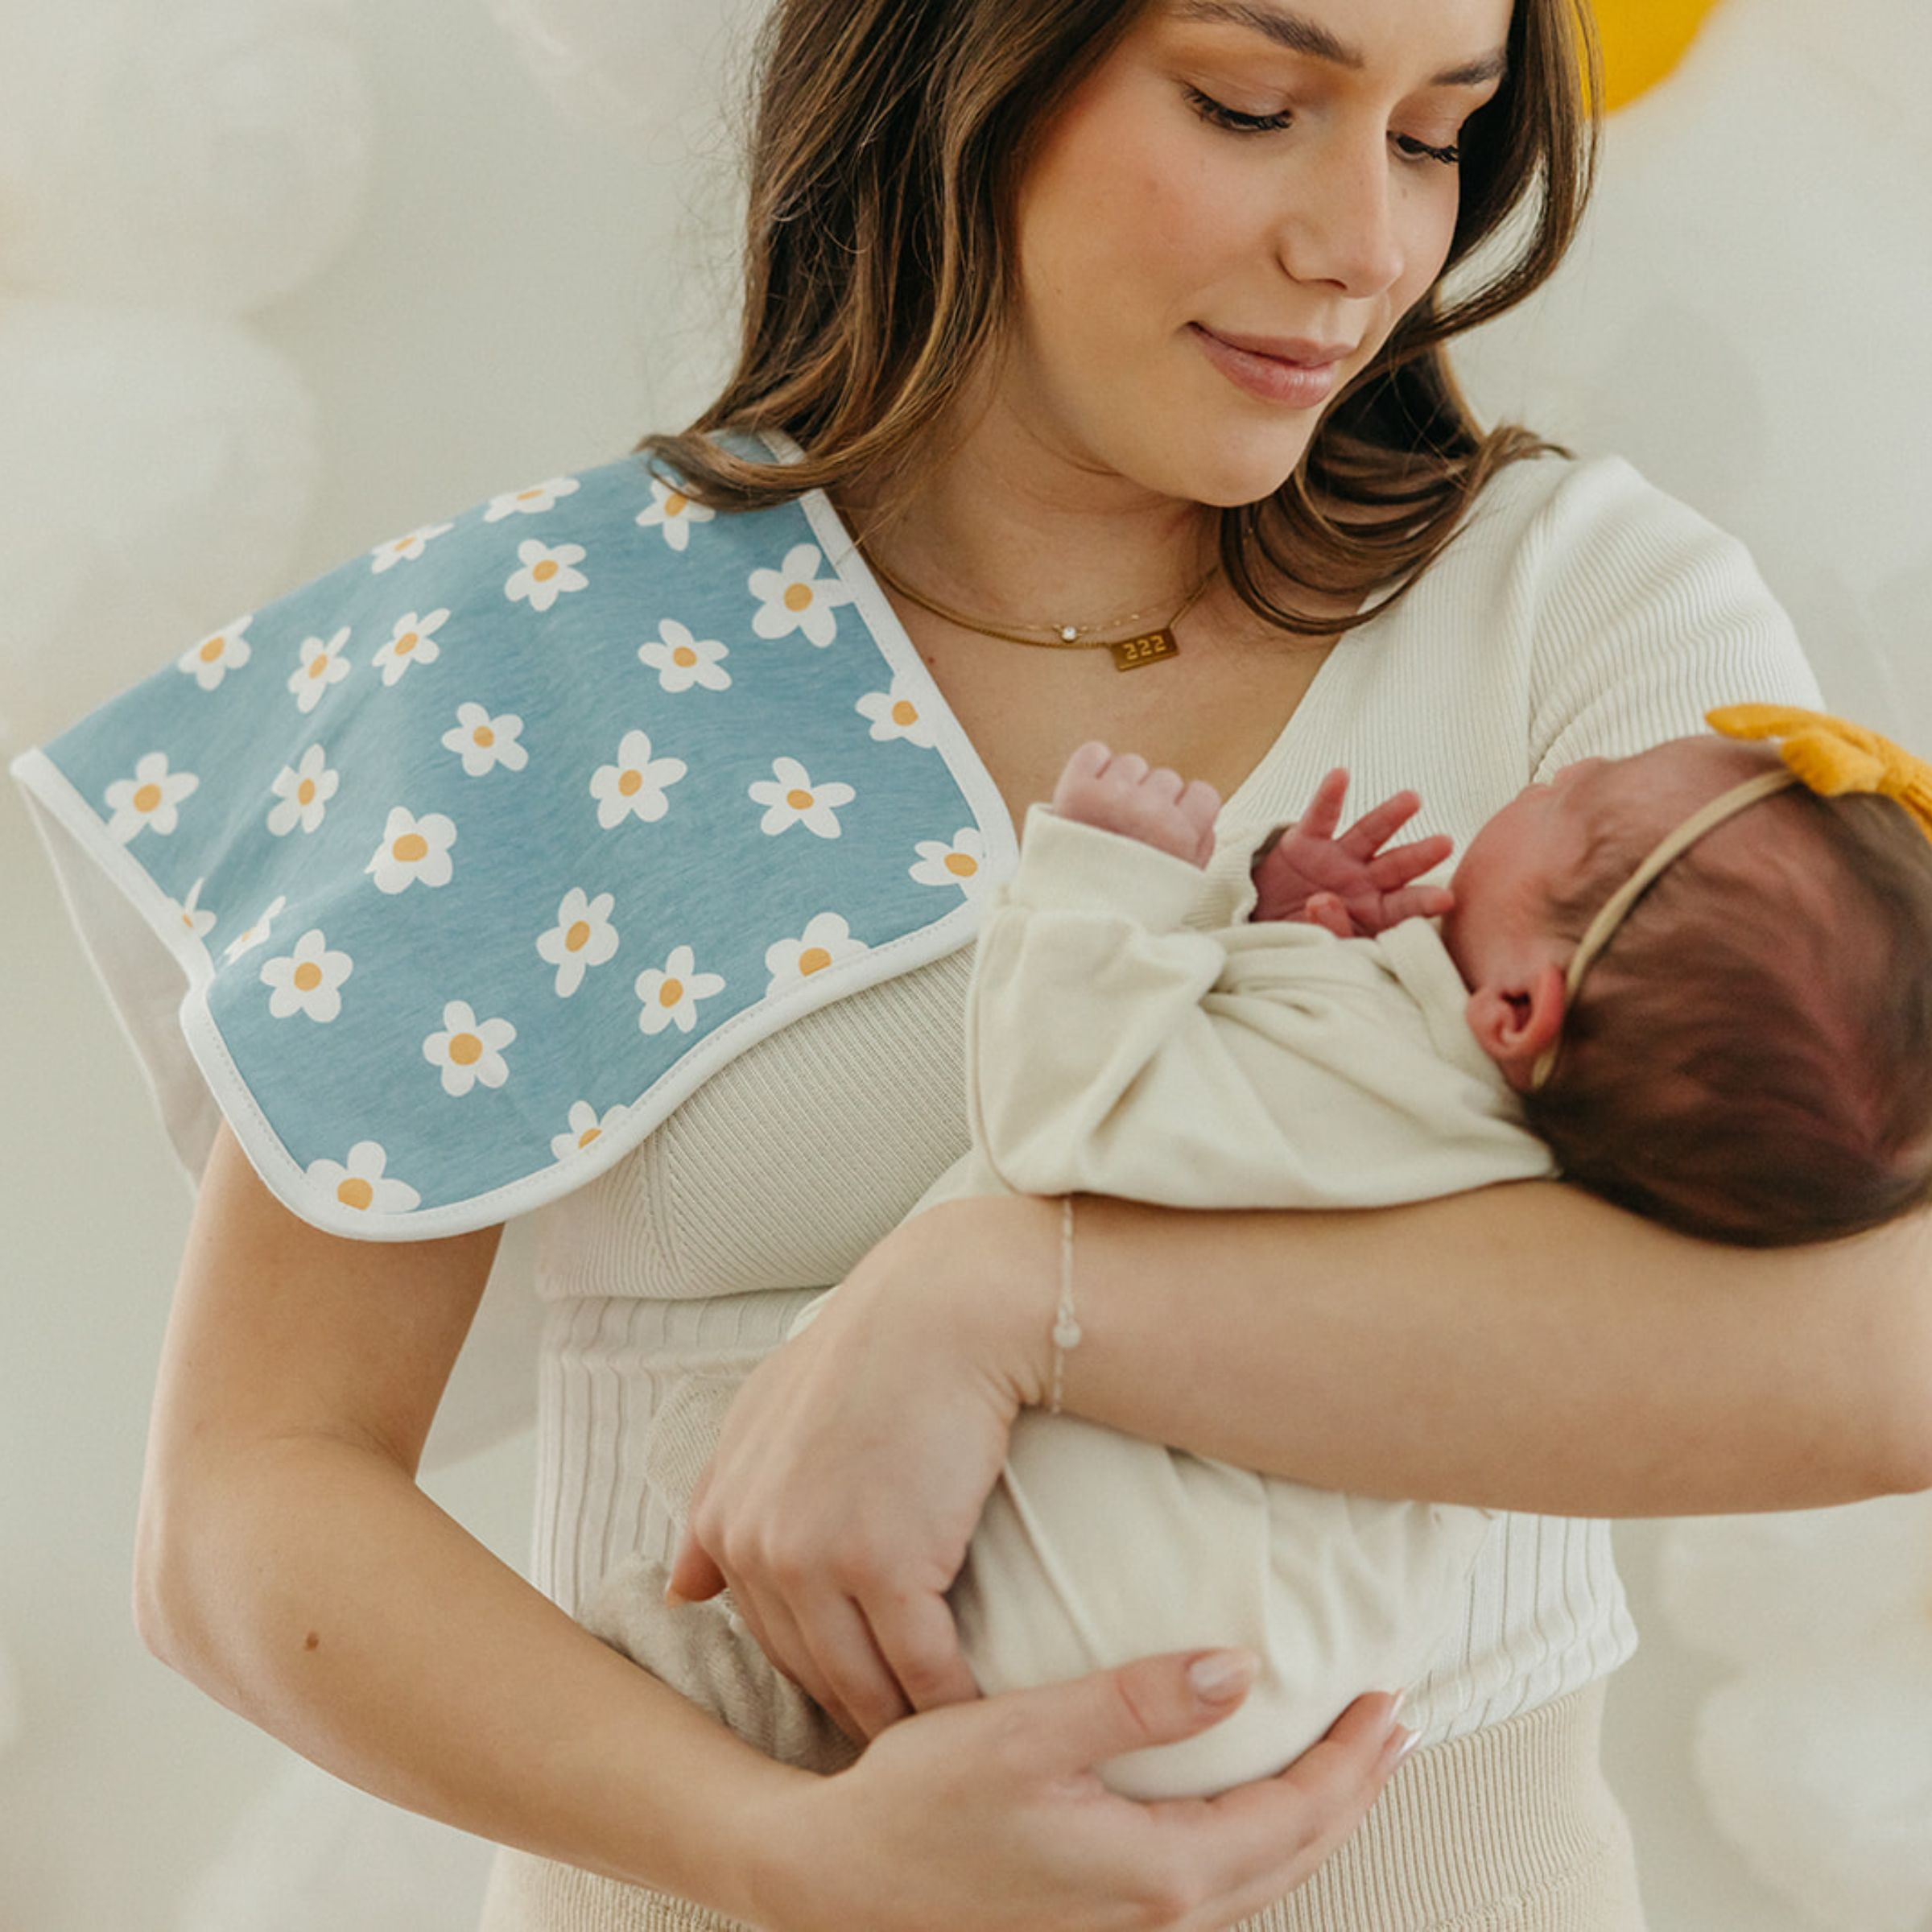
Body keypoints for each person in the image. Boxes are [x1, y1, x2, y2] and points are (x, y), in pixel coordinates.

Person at [13, 0, 1931, 1927]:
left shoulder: (1581, 623)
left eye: (1438, 136)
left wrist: (1008, 1295)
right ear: (960, 61)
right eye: (1253, 104)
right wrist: (789, 1848)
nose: (1362, 243)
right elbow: (247, 1507)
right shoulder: (545, 653)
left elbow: (1883, 1348)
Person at [583, 709, 1932, 1807]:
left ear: (1518, 1008)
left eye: (1581, 799)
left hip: (1050, 1635)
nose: (1562, 764)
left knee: (676, 1661)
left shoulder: (1365, 1049)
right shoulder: (1509, 1164)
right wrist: (1280, 929)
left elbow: (1062, 1113)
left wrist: (1116, 879)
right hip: (1241, 1700)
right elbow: (1239, 1157)